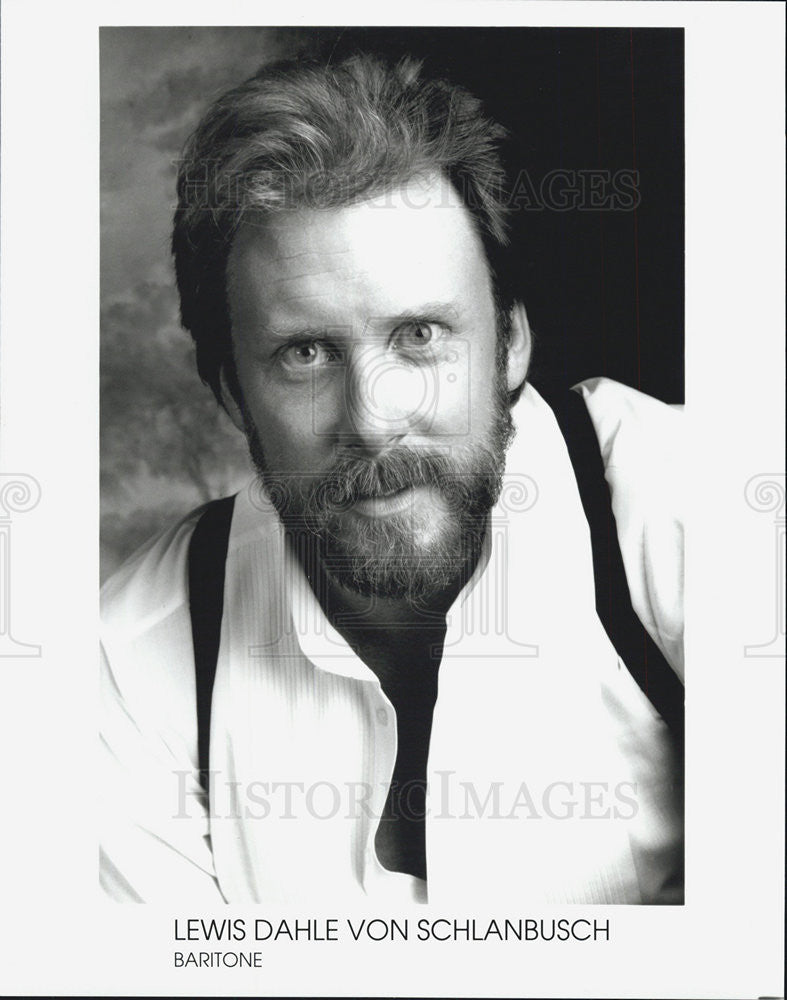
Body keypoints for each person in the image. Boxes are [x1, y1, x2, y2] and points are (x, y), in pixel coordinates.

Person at [100, 53, 684, 905]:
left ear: (511, 344)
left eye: (418, 336)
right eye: (305, 353)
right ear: (232, 391)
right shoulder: (119, 672)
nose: (372, 421)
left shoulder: (687, 507)